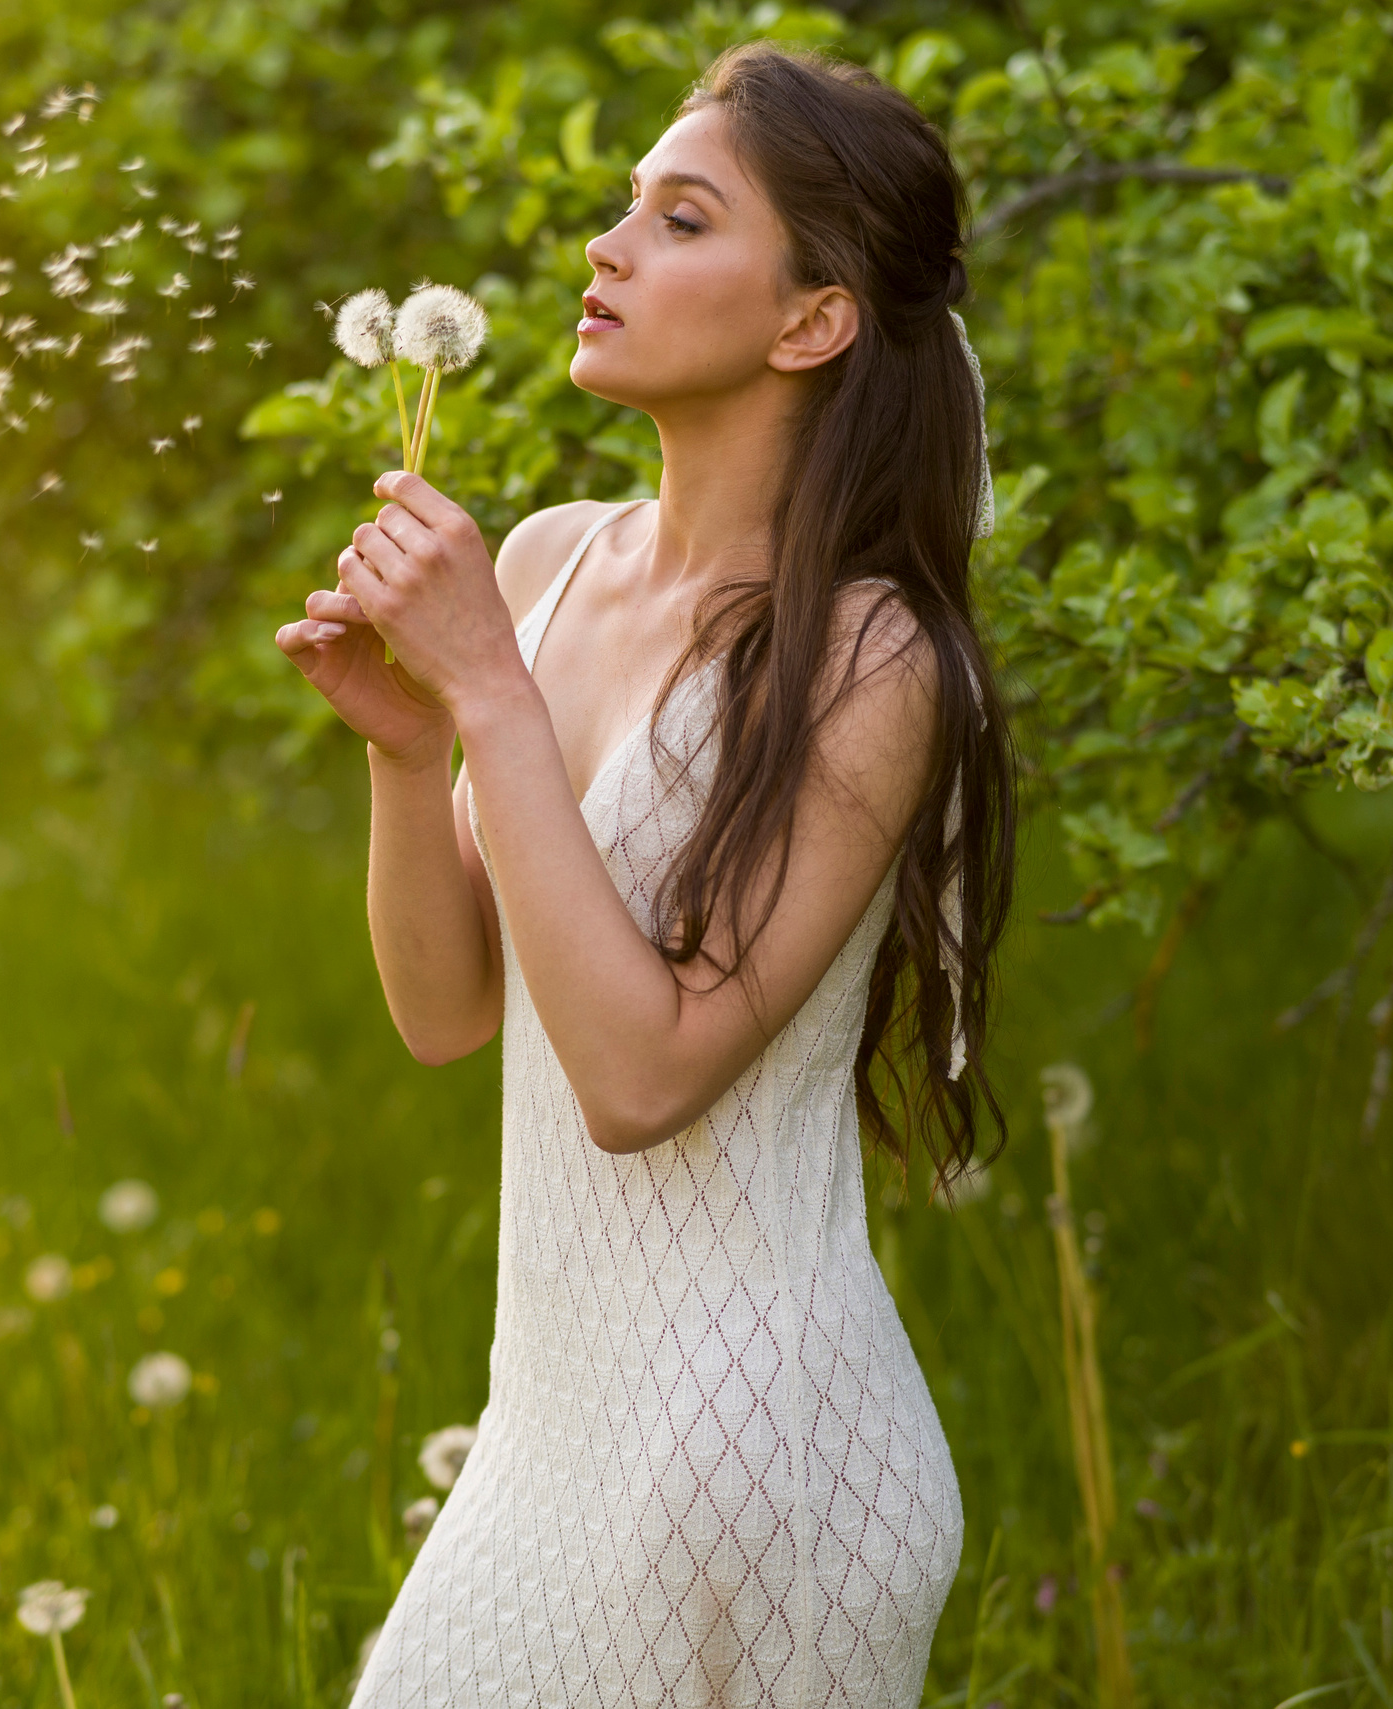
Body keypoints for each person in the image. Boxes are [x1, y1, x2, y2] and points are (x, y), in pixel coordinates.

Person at [275, 39, 1016, 1707]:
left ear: (812, 320)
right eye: (627, 209)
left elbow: (641, 1071)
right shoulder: (547, 563)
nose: (607, 251)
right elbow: (450, 1010)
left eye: (681, 221)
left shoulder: (874, 660)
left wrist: (484, 696)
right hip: (552, 1440)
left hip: (772, 1472)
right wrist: (411, 750)